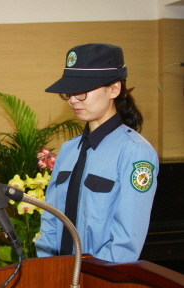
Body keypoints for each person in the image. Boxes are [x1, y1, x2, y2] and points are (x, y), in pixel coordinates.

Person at [35, 43, 158, 263]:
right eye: (70, 92)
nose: (73, 100)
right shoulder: (69, 150)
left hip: (101, 279)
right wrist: (48, 268)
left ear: (114, 89)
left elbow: (126, 240)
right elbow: (51, 219)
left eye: (82, 92)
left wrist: (92, 279)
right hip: (58, 275)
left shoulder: (135, 152)